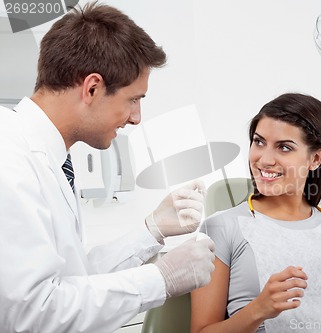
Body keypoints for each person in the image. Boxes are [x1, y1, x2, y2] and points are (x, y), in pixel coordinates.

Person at [0, 3, 215, 333]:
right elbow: (32, 314)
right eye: (133, 99)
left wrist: (151, 230)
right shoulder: (10, 158)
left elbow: (75, 279)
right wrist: (161, 278)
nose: (136, 117)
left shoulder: (50, 158)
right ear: (92, 88)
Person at [190, 93, 321, 333]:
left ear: (315, 158)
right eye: (259, 142)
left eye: (284, 147)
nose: (264, 159)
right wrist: (258, 310)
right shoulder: (219, 229)